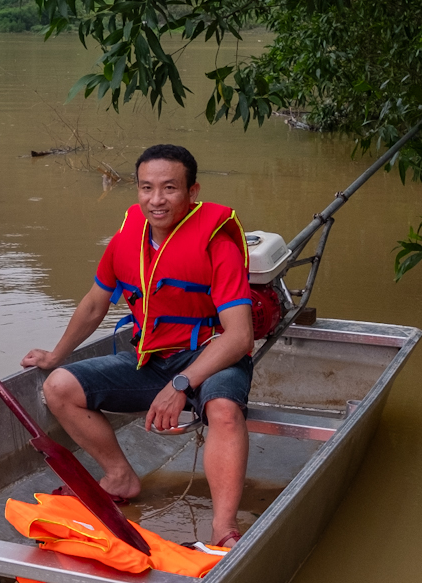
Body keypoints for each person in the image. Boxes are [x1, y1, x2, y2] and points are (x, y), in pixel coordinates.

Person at [21, 143, 257, 547]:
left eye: (169, 188)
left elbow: (239, 336)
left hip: (212, 357)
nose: (156, 200)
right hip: (152, 359)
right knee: (58, 387)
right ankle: (120, 476)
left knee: (223, 411)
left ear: (192, 192)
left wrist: (180, 385)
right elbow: (96, 303)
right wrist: (56, 356)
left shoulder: (219, 245)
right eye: (146, 188)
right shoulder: (126, 240)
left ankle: (223, 528)